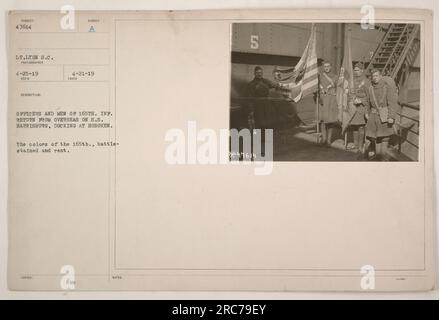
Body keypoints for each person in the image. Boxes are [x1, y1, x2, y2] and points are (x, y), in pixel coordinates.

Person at [364, 69, 399, 161]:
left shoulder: (386, 87)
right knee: (375, 138)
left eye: (376, 76)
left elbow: (392, 103)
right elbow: (367, 102)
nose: (375, 78)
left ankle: (382, 157)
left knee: (384, 138)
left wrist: (391, 116)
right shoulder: (370, 88)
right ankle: (379, 156)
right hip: (373, 116)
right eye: (373, 76)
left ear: (380, 76)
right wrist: (366, 112)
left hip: (384, 116)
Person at [349, 62, 370, 153]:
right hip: (353, 106)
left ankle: (360, 146)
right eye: (355, 70)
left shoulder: (366, 81)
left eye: (358, 70)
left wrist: (361, 100)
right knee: (354, 126)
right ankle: (355, 144)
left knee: (361, 126)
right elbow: (350, 92)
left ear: (362, 70)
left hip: (362, 107)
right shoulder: (352, 81)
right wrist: (351, 98)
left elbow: (369, 96)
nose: (356, 72)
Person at [318, 61, 339, 146]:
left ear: (331, 67)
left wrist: (334, 93)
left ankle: (329, 140)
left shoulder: (335, 76)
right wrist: (319, 91)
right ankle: (324, 138)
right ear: (323, 67)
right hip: (322, 100)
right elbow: (317, 87)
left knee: (330, 121)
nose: (326, 68)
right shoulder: (320, 76)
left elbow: (338, 88)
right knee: (322, 120)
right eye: (325, 66)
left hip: (331, 101)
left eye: (328, 66)